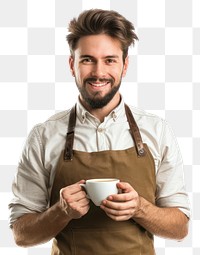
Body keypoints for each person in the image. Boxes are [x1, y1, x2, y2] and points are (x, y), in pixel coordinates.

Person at [9, 9, 190, 255]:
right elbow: (21, 234)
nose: (98, 72)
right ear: (72, 65)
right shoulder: (44, 136)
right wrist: (60, 211)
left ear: (125, 65)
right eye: (87, 59)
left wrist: (140, 209)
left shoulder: (157, 131)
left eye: (110, 60)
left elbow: (180, 228)